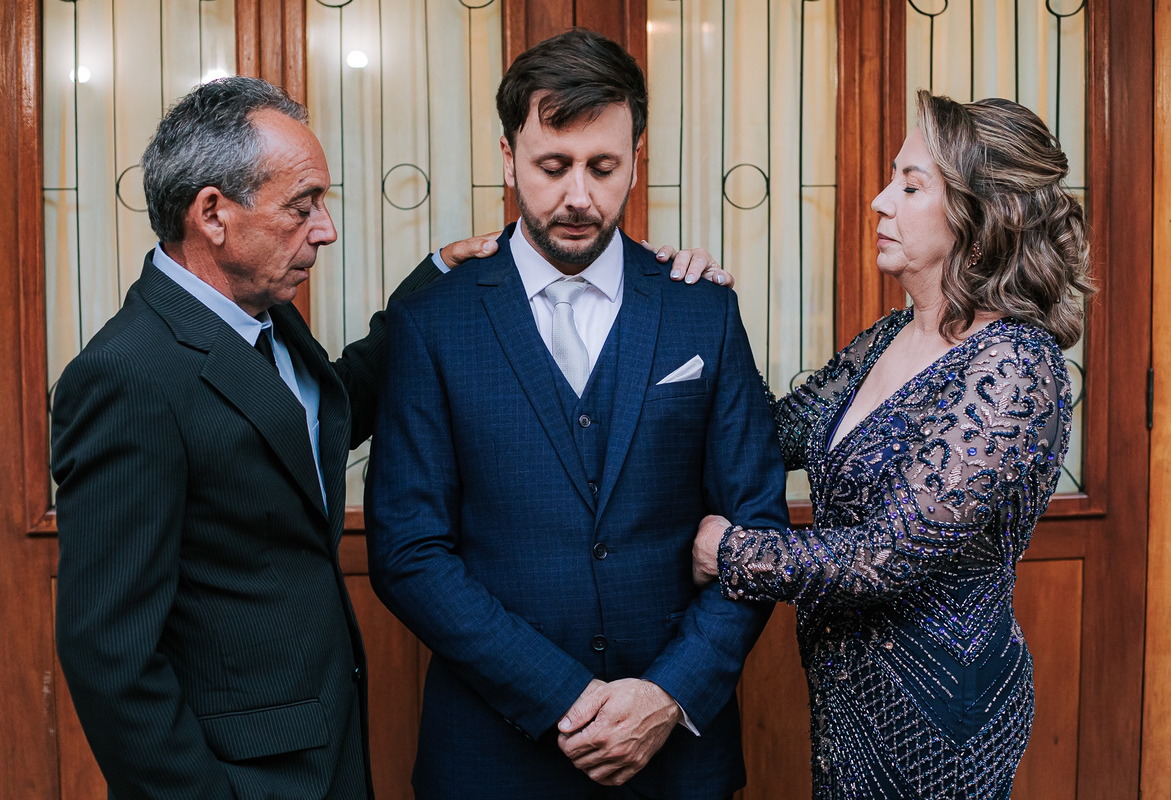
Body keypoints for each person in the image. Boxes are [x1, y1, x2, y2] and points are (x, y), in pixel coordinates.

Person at [366, 28, 790, 800]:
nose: (578, 197)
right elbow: (408, 550)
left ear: (636, 158)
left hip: (676, 761)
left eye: (603, 166)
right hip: (493, 761)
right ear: (508, 157)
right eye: (552, 166)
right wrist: (565, 698)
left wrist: (668, 693)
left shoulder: (702, 311)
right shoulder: (433, 323)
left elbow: (757, 524)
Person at [50, 76, 446, 799]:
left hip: (327, 751)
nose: (324, 229)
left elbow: (309, 430)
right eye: (303, 205)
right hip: (242, 778)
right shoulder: (126, 377)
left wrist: (438, 282)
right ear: (213, 213)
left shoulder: (266, 316)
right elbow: (110, 655)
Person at [692, 90, 1092, 799]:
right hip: (844, 694)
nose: (880, 201)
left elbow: (884, 557)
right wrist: (707, 309)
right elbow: (767, 434)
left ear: (980, 213)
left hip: (940, 713)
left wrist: (730, 553)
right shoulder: (887, 337)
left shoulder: (1015, 366)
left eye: (910, 186)